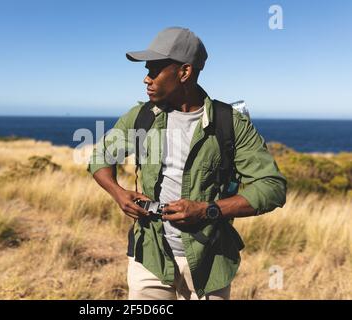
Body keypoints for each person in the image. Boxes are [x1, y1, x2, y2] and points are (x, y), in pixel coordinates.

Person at [88, 27, 286, 300]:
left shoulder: (230, 124)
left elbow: (272, 187)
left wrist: (209, 210)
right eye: (147, 70)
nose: (146, 79)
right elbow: (101, 158)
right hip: (149, 259)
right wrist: (118, 193)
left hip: (209, 263)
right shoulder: (140, 117)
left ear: (184, 72)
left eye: (155, 70)